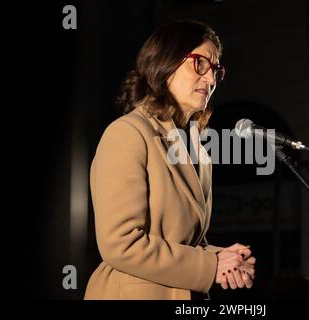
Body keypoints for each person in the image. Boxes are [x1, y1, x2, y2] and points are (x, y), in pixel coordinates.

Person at [84, 20, 256, 300]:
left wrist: (223, 259)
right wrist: (210, 265)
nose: (211, 80)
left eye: (215, 70)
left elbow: (181, 242)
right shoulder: (128, 133)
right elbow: (120, 244)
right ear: (165, 63)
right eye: (200, 63)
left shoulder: (197, 149)